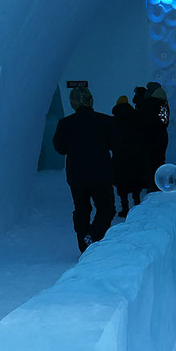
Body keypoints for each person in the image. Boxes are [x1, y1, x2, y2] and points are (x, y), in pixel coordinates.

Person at [52, 86, 117, 253]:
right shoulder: (106, 121)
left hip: (77, 174)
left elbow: (60, 148)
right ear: (91, 100)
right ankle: (93, 235)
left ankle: (83, 243)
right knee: (107, 208)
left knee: (82, 209)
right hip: (101, 173)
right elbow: (116, 143)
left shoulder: (65, 124)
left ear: (72, 103)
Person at [110, 94, 147, 216]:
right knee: (135, 181)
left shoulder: (113, 121)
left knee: (122, 183)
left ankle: (125, 208)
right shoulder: (136, 118)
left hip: (119, 156)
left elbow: (110, 140)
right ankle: (137, 204)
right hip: (135, 154)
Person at [140, 82, 170, 189]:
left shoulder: (151, 103)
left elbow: (146, 120)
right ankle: (160, 184)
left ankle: (154, 186)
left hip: (152, 137)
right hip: (162, 136)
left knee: (151, 163)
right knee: (160, 161)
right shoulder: (164, 102)